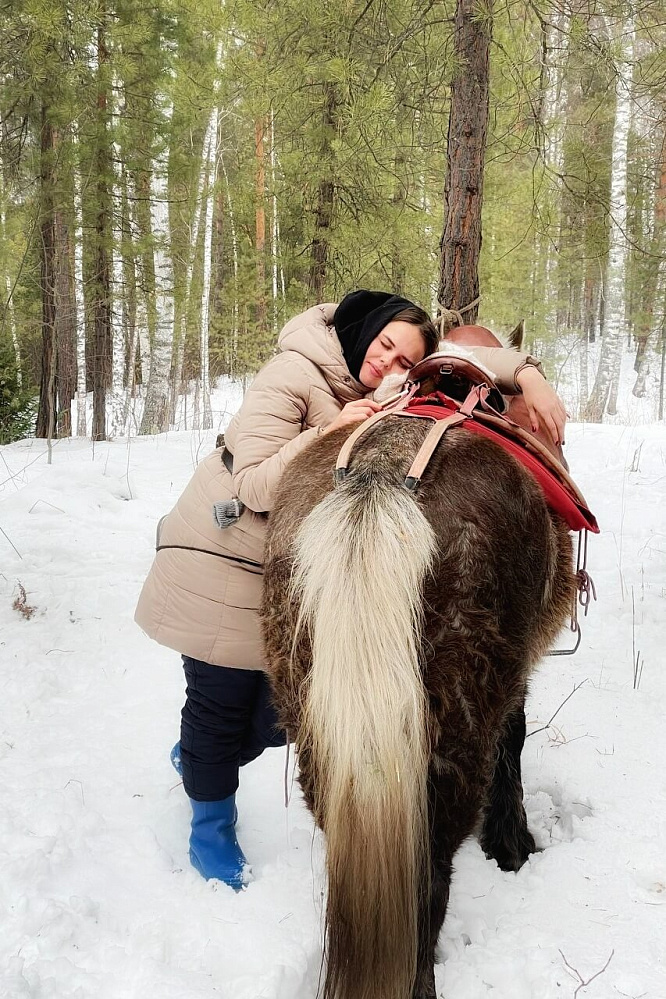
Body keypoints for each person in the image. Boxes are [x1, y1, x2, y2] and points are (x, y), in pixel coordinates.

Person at [134, 290, 566, 890]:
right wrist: (335, 430)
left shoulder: (374, 383)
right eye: (385, 346)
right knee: (219, 701)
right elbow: (255, 483)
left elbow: (462, 361)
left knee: (290, 711)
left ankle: (207, 761)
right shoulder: (294, 374)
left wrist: (525, 374)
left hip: (295, 572)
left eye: (401, 361)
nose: (387, 365)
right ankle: (210, 821)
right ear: (363, 330)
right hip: (222, 557)